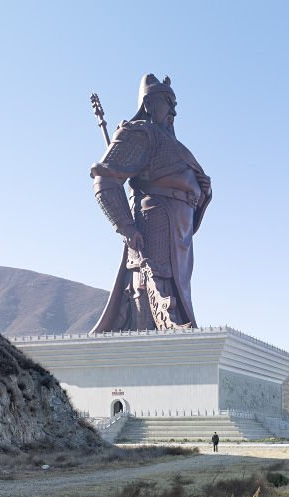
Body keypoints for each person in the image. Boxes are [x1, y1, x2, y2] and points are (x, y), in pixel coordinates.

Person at [89, 73, 212, 332]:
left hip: (179, 241)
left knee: (178, 297)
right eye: (168, 103)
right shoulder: (140, 133)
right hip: (154, 232)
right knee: (150, 292)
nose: (173, 112)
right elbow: (104, 179)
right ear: (148, 104)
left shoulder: (175, 146)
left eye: (175, 104)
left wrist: (202, 191)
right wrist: (125, 225)